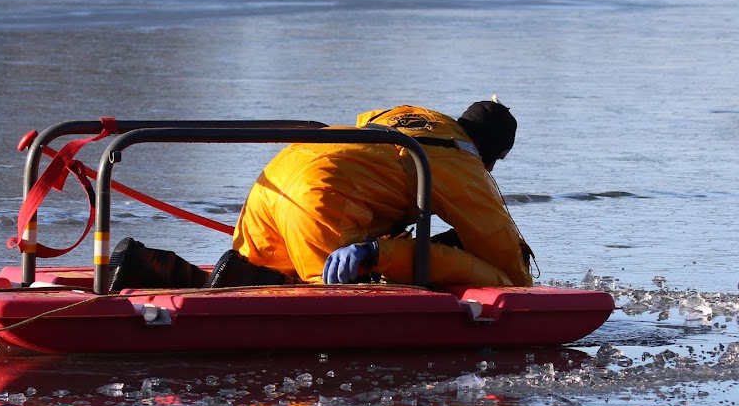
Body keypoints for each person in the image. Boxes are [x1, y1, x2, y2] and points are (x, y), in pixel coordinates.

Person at [108, 96, 533, 292]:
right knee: (336, 287)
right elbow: (512, 271)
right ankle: (235, 285)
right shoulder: (462, 161)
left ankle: (151, 268)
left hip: (276, 181)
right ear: (496, 154)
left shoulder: (414, 118)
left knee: (261, 281)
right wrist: (381, 255)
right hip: (322, 199)